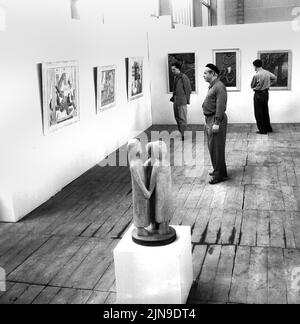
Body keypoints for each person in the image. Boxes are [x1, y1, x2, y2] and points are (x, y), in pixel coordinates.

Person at [202, 64, 228, 185]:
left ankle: (219, 175)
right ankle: (220, 171)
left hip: (216, 119)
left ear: (214, 74)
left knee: (217, 148)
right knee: (213, 147)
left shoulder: (219, 86)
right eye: (204, 73)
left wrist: (216, 122)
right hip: (209, 119)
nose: (204, 75)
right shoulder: (212, 86)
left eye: (207, 73)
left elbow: (220, 106)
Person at [251, 59, 277, 134]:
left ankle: (262, 130)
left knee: (258, 112)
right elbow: (275, 78)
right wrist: (269, 84)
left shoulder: (256, 75)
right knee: (265, 111)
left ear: (255, 66)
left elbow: (252, 85)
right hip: (266, 93)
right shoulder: (267, 72)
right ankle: (268, 128)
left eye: (254, 66)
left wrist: (258, 85)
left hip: (258, 94)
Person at [170, 62, 192, 141]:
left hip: (182, 101)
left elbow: (188, 89)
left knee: (182, 118)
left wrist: (186, 100)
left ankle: (183, 134)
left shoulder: (184, 77)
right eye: (171, 69)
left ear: (178, 69)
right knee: (177, 117)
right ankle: (181, 132)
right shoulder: (176, 77)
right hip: (176, 101)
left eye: (174, 69)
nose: (172, 71)